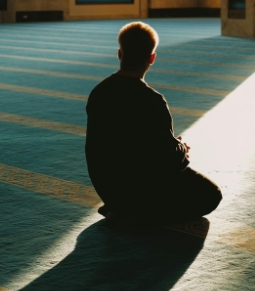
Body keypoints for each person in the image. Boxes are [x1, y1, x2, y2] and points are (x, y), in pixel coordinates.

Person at [85, 22, 222, 225]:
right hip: (143, 190)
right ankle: (140, 215)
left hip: (110, 188)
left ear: (120, 53)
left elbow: (96, 148)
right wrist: (181, 148)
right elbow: (166, 159)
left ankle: (120, 209)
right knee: (211, 195)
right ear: (152, 58)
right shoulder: (152, 100)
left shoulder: (99, 93)